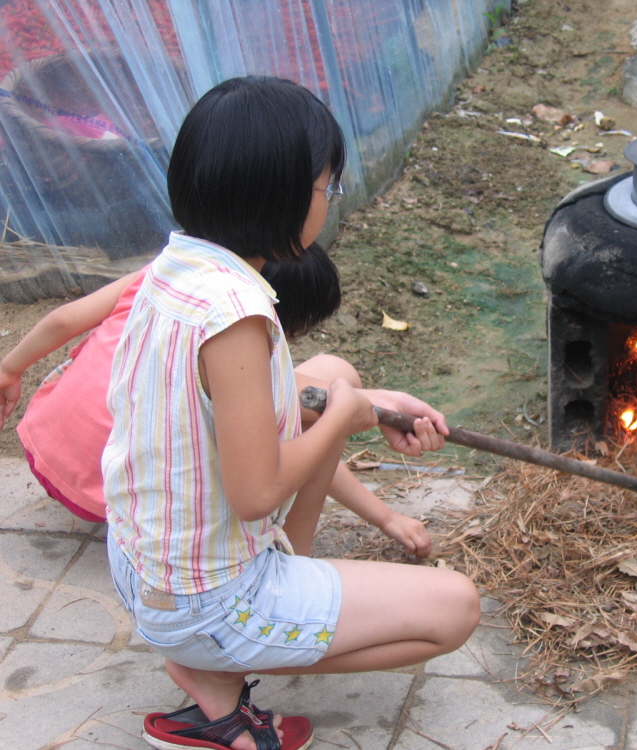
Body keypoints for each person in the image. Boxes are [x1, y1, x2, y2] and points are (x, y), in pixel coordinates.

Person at [97, 76, 483, 750]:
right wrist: (346, 415)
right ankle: (220, 665)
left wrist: (370, 403)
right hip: (203, 600)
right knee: (454, 609)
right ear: (279, 196)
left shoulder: (177, 268)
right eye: (324, 187)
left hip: (142, 566)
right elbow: (257, 494)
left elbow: (253, 404)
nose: (327, 203)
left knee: (331, 375)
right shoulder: (237, 315)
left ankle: (213, 653)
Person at [0, 246, 436, 557]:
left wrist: (10, 369)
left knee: (331, 376)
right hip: (115, 499)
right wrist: (386, 518)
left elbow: (63, 318)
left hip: (46, 445)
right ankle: (293, 564)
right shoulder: (236, 337)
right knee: (319, 397)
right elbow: (305, 445)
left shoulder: (170, 275)